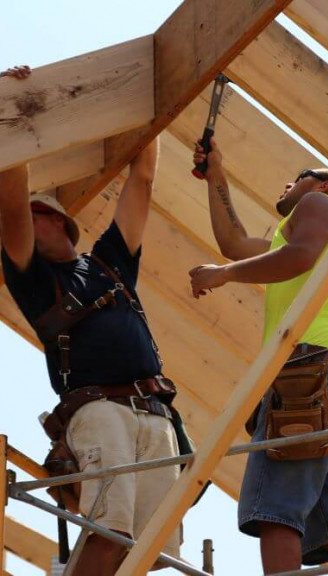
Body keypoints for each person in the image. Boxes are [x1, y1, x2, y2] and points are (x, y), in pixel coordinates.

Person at [0, 66, 182, 575]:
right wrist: (15, 105)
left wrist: (159, 98)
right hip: (99, 410)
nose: (11, 222)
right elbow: (12, 193)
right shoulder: (32, 278)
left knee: (155, 550)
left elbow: (142, 178)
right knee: (110, 532)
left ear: (57, 220)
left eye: (30, 215)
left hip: (155, 411)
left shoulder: (108, 263)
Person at [190, 138, 328, 575]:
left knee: (276, 512)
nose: (291, 182)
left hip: (304, 379)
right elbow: (235, 242)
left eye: (303, 176)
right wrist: (216, 174)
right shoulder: (305, 227)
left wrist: (223, 276)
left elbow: (298, 257)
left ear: (325, 187)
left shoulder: (318, 207)